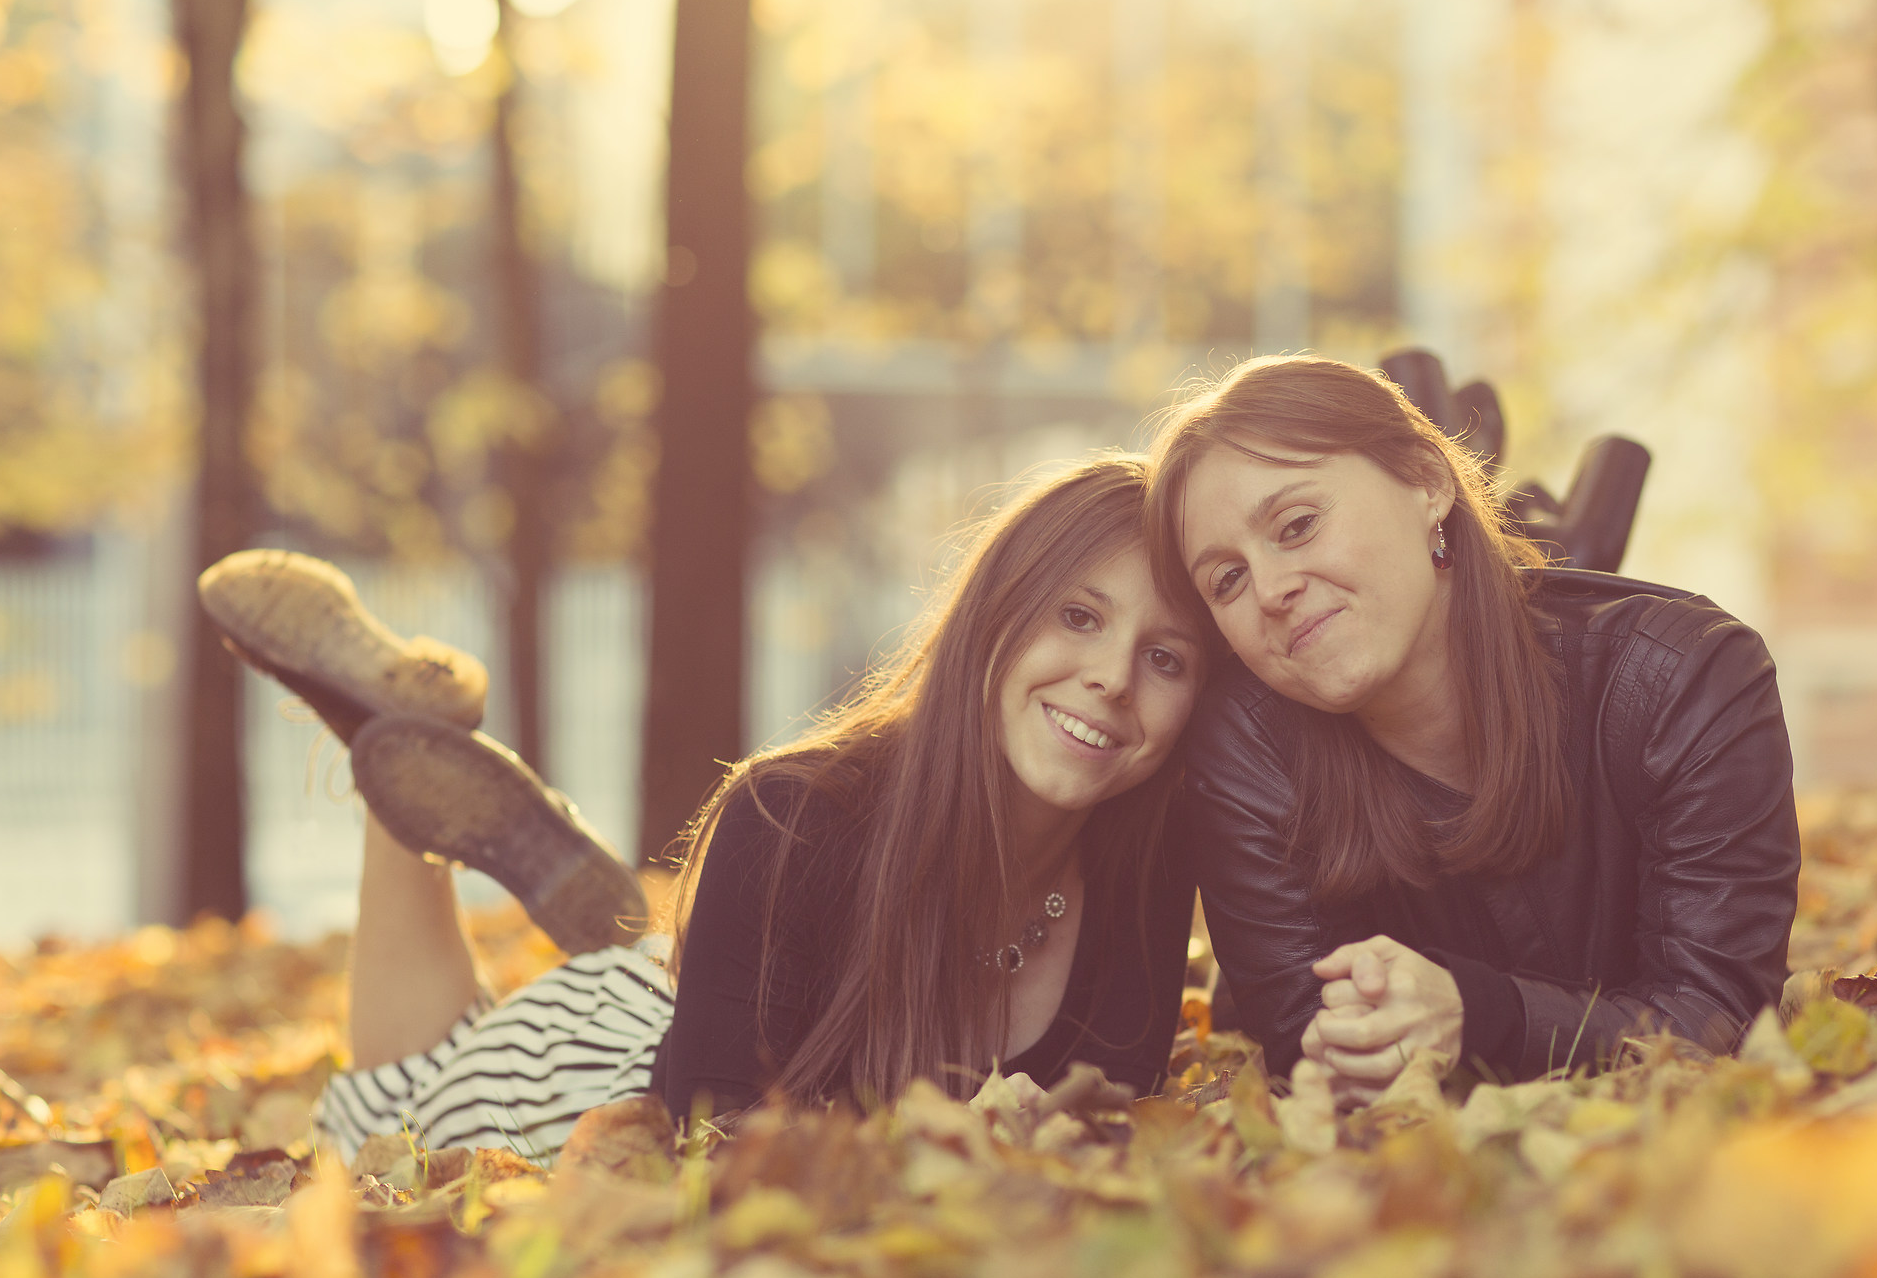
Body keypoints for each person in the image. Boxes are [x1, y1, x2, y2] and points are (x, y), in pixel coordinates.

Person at [200, 454, 1206, 1160]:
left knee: (676, 975)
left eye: (1166, 659)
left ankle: (644, 939)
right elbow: (706, 1152)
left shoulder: (1145, 878)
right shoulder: (792, 818)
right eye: (1079, 617)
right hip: (594, 1091)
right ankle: (398, 743)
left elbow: (1108, 1127)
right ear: (993, 623)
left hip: (719, 1008)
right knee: (389, 1112)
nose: (1114, 679)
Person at [1143, 355, 1799, 1105]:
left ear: (1428, 481)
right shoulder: (1248, 747)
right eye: (1225, 579)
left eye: (1297, 525)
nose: (1270, 589)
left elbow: (1717, 1024)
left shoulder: (1683, 679)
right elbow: (1313, 1044)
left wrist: (1482, 1017)